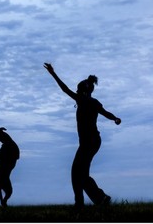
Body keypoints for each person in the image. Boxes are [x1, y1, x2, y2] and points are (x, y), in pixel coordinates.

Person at [44, 63, 121, 208]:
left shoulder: (84, 100)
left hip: (89, 142)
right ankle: (94, 200)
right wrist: (115, 118)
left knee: (78, 174)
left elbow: (64, 89)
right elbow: (106, 113)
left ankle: (96, 200)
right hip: (91, 142)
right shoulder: (91, 101)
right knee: (79, 174)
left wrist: (53, 74)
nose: (76, 91)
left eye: (78, 90)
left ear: (84, 92)